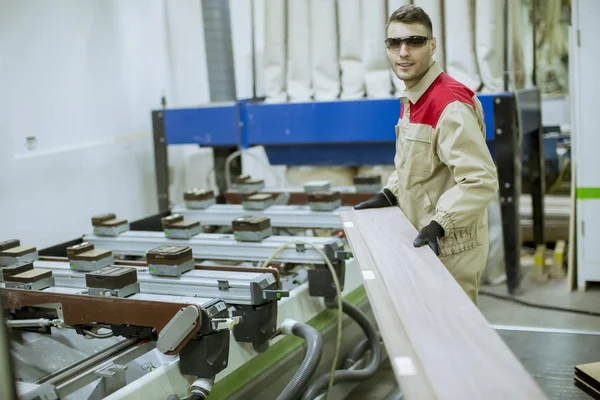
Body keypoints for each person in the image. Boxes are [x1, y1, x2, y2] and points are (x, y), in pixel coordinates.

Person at [354, 5, 499, 304]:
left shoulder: (449, 104)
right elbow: (418, 162)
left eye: (414, 42)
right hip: (427, 237)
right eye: (395, 43)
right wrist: (391, 192)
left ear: (432, 45)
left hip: (451, 245)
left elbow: (480, 180)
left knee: (450, 336)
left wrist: (440, 223)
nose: (403, 52)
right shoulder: (414, 95)